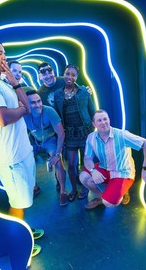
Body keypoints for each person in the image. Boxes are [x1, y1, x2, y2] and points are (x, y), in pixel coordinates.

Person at [0, 39, 43, 256]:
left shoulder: (3, 82)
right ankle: (19, 248)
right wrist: (21, 110)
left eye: (4, 53)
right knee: (17, 203)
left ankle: (24, 231)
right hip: (11, 158)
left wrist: (14, 81)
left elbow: (28, 107)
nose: (4, 57)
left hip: (23, 153)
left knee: (22, 202)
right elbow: (2, 117)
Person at [79, 109, 146, 210]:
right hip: (105, 168)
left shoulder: (121, 135)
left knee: (109, 203)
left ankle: (116, 194)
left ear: (109, 120)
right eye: (99, 120)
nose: (103, 122)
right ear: (94, 124)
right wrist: (93, 170)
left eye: (105, 119)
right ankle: (101, 198)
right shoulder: (91, 137)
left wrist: (145, 169)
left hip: (122, 172)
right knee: (83, 177)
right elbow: (87, 158)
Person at [54, 64, 95, 202]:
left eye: (73, 74)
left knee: (86, 162)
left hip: (85, 132)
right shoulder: (58, 94)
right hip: (70, 135)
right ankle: (73, 189)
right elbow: (58, 114)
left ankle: (85, 187)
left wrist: (95, 131)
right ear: (63, 74)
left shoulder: (84, 91)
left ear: (76, 77)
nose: (70, 77)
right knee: (71, 164)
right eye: (67, 74)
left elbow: (92, 110)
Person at [24, 89, 69, 206]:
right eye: (33, 103)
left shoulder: (49, 111)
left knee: (58, 163)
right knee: (24, 162)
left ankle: (63, 192)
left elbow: (61, 133)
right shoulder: (24, 114)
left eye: (39, 101)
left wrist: (57, 154)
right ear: (27, 104)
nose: (38, 105)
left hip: (49, 140)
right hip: (33, 140)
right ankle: (34, 186)